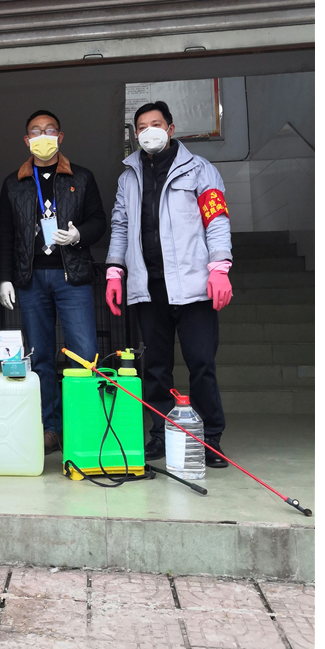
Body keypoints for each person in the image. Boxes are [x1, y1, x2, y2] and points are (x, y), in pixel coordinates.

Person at [104, 100, 233, 467]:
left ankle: (210, 438)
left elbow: (216, 220)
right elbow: (121, 226)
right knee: (156, 367)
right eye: (142, 127)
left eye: (156, 124)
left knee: (201, 363)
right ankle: (160, 434)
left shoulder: (200, 170)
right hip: (149, 287)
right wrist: (115, 271)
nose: (150, 132)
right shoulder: (128, 177)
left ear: (171, 128)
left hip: (193, 286)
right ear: (135, 134)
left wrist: (219, 267)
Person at [0, 110, 106, 453]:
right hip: (31, 280)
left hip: (72, 276)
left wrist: (78, 235)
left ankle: (85, 426)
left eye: (50, 130)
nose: (43, 136)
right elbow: (6, 235)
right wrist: (5, 278)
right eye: (36, 131)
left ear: (61, 136)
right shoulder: (13, 183)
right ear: (26, 140)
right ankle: (51, 428)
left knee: (84, 354)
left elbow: (99, 221)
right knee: (40, 356)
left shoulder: (82, 177)